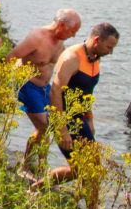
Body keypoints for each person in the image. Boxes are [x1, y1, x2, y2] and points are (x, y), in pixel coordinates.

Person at [40, 22, 120, 186]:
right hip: (63, 118)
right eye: (109, 47)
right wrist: (62, 130)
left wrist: (90, 119)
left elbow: (86, 92)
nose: (110, 52)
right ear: (97, 40)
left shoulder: (95, 59)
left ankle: (39, 188)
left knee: (88, 168)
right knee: (86, 168)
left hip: (79, 118)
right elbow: (55, 92)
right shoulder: (72, 58)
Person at [7, 9, 82, 172]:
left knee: (50, 125)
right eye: (72, 31)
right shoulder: (37, 37)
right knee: (44, 126)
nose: (73, 36)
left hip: (44, 88)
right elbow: (10, 57)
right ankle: (29, 166)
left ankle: (39, 166)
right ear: (61, 25)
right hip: (26, 84)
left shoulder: (61, 43)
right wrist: (3, 86)